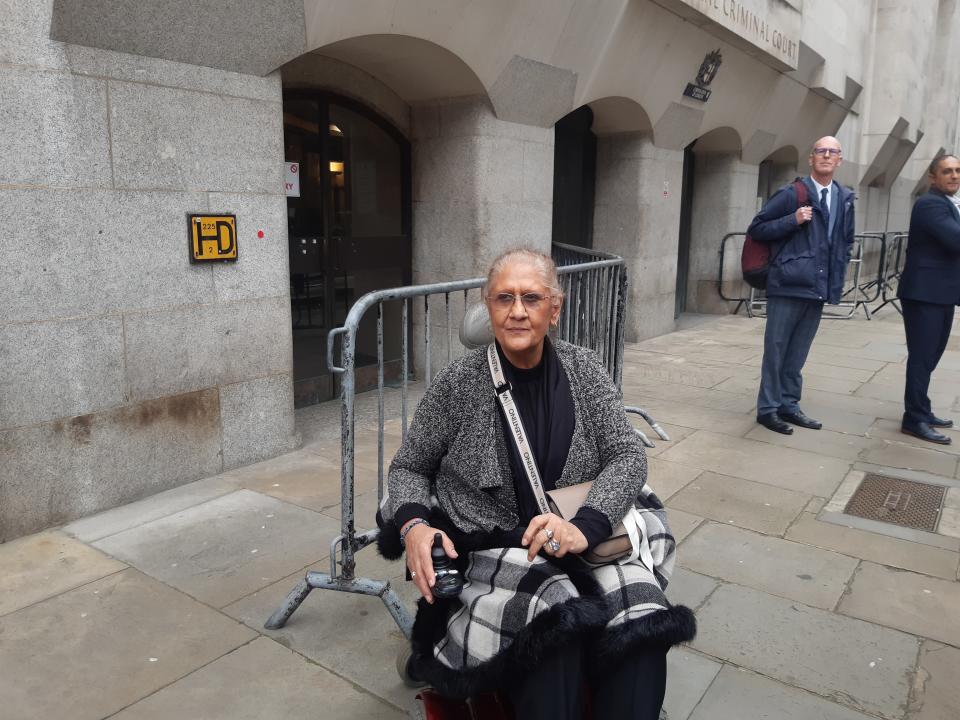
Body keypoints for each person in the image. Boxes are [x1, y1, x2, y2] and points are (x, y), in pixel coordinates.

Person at [378, 249, 694, 719]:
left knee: (644, 616)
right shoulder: (457, 383)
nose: (518, 310)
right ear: (489, 306)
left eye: (531, 297)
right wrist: (414, 528)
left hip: (579, 539)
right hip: (497, 550)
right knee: (553, 621)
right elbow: (408, 468)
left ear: (555, 308)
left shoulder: (584, 370)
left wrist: (585, 526)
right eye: (504, 298)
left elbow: (626, 454)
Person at [748, 136, 856, 435]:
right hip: (787, 284)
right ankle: (768, 410)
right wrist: (792, 220)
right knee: (776, 350)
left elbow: (845, 242)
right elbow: (757, 228)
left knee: (798, 353)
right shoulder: (792, 193)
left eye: (832, 151)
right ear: (811, 158)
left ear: (839, 160)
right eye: (820, 150)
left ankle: (789, 405)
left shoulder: (845, 198)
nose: (826, 155)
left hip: (817, 286)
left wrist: (837, 276)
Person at [896, 153, 960, 444]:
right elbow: (955, 240)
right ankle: (914, 419)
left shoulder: (945, 203)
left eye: (958, 170)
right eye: (947, 171)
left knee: (930, 356)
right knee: (922, 358)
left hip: (940, 294)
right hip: (924, 295)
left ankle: (922, 408)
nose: (955, 176)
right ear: (933, 177)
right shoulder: (930, 203)